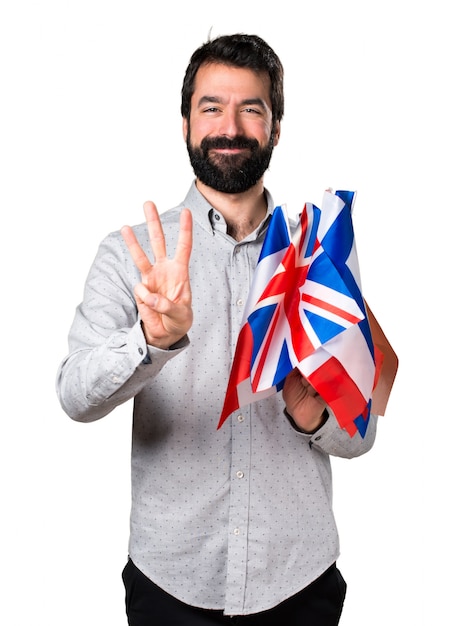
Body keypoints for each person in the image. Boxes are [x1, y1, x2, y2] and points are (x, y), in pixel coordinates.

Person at [56, 33, 378, 625]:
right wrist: (150, 342)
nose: (229, 126)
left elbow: (362, 435)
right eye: (211, 107)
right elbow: (75, 396)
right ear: (184, 123)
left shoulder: (320, 255)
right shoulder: (130, 256)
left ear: (275, 128)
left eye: (250, 109)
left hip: (298, 581)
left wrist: (315, 416)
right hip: (169, 581)